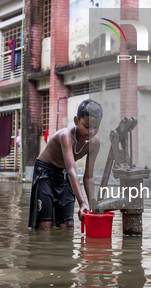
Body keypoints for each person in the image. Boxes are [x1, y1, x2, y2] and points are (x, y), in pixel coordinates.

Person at [28, 99, 103, 231]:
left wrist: (92, 204)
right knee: (45, 225)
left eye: (96, 127)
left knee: (68, 225)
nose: (91, 131)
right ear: (76, 121)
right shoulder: (66, 136)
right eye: (87, 126)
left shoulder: (94, 144)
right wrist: (82, 202)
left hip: (64, 174)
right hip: (46, 171)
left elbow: (88, 177)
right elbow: (72, 170)